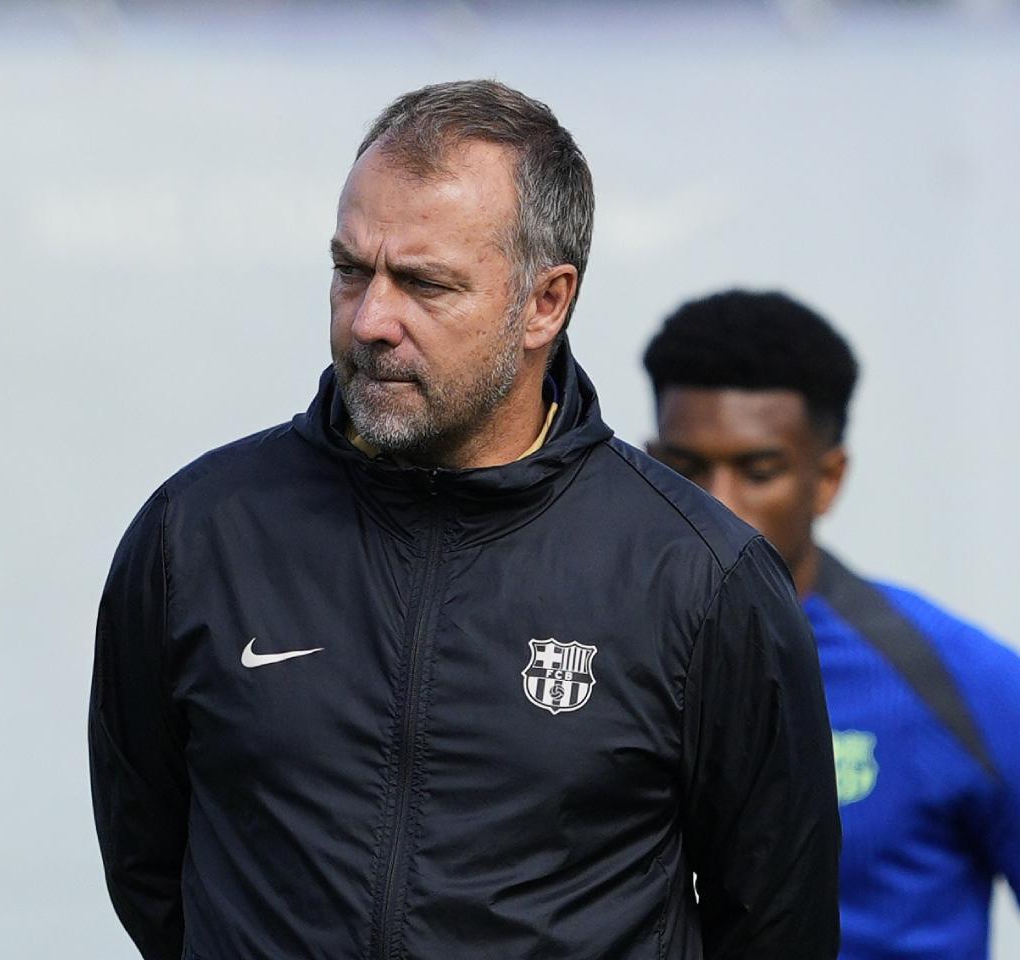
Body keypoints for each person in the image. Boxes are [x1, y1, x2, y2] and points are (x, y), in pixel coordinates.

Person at [88, 79, 841, 960]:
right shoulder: (198, 534)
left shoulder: (698, 577)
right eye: (348, 270)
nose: (371, 320)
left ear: (545, 302)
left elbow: (777, 922)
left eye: (423, 283)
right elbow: (151, 866)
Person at [643, 290, 1020, 960]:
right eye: (686, 468)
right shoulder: (596, 659)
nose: (717, 506)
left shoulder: (960, 681)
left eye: (759, 471)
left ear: (827, 478)